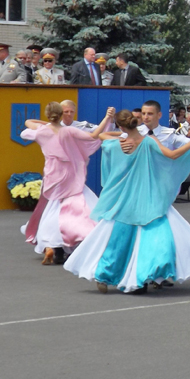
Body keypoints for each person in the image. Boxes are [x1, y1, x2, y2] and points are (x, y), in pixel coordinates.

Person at [63, 110, 190, 294]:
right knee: (152, 237)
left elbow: (102, 136)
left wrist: (119, 135)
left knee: (117, 239)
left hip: (124, 198)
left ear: (121, 127)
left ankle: (106, 274)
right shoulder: (149, 141)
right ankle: (145, 275)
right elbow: (173, 155)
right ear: (136, 123)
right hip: (147, 195)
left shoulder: (114, 143)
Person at [20, 103, 114, 265]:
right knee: (74, 206)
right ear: (61, 115)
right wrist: (107, 118)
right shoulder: (69, 131)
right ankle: (70, 240)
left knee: (54, 207)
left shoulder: (41, 132)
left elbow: (28, 123)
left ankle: (51, 244)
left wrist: (47, 123)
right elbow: (94, 136)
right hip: (70, 174)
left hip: (52, 174)